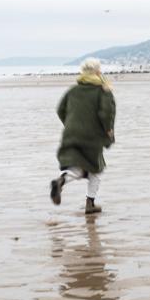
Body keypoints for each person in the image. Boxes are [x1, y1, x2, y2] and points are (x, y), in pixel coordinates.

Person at [50, 58, 116, 214]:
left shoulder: (73, 90)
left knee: (76, 166)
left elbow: (60, 109)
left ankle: (60, 181)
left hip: (71, 133)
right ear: (97, 72)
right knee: (95, 169)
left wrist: (71, 125)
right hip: (92, 136)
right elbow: (106, 113)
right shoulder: (102, 91)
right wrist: (108, 130)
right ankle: (90, 204)